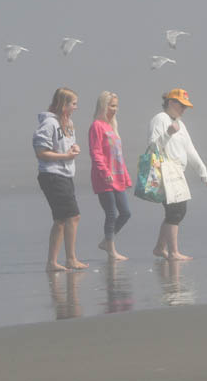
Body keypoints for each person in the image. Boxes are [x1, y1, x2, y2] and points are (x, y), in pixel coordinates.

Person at [148, 88, 207, 260]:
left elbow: (190, 148)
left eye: (185, 107)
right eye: (181, 105)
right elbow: (153, 147)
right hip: (165, 170)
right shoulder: (160, 119)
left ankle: (160, 247)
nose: (184, 109)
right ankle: (173, 252)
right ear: (171, 102)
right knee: (176, 210)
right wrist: (168, 133)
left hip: (177, 172)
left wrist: (202, 170)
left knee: (176, 211)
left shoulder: (180, 123)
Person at [33, 87, 88, 272]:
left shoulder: (68, 123)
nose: (76, 107)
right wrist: (65, 156)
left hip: (65, 174)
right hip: (52, 175)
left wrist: (74, 150)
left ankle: (52, 262)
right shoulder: (48, 124)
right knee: (72, 216)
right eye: (73, 104)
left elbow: (67, 147)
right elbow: (41, 152)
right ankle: (70, 259)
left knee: (62, 219)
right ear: (63, 104)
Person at [89, 91, 133, 261]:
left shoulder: (111, 127)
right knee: (111, 213)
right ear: (103, 106)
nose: (115, 109)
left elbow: (118, 156)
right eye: (112, 105)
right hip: (104, 177)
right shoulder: (97, 126)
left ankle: (106, 241)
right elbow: (96, 152)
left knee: (126, 213)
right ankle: (111, 249)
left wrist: (126, 178)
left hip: (118, 177)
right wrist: (105, 172)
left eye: (116, 106)